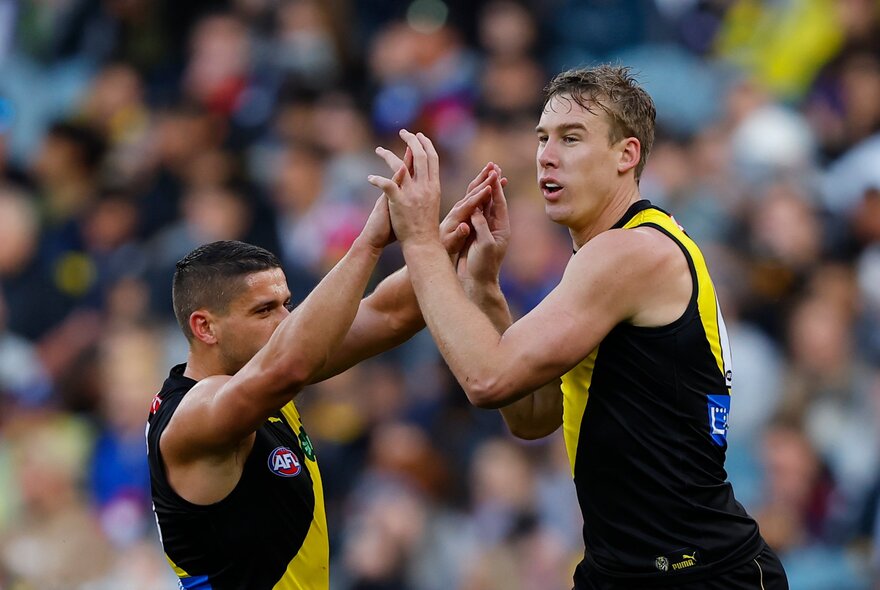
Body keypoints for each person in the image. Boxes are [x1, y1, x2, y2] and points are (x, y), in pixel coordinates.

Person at [368, 65, 789, 589]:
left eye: (571, 138)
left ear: (626, 155)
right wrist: (483, 284)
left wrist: (420, 241)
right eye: (543, 137)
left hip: (697, 573)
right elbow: (531, 414)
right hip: (623, 570)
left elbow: (486, 379)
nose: (547, 154)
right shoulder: (605, 257)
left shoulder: (630, 251)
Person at [146, 158, 503, 590]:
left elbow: (388, 315)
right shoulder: (195, 414)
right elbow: (293, 361)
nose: (284, 320)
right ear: (205, 327)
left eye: (285, 304)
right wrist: (368, 244)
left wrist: (443, 239)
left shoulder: (263, 374)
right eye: (263, 310)